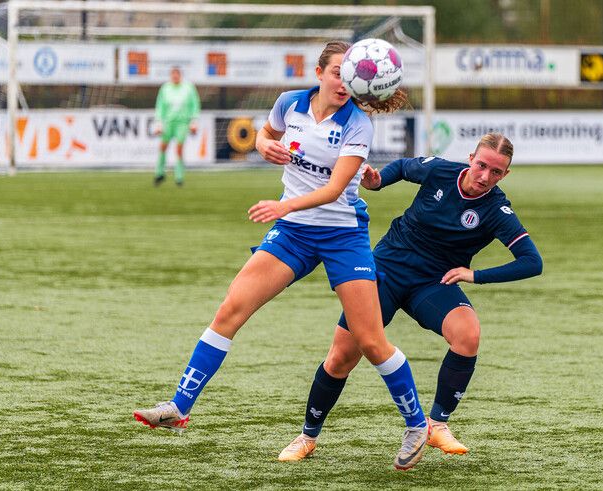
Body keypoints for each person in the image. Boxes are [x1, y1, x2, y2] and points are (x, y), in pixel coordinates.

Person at [134, 41, 432, 470]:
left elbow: (333, 190)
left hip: (341, 234)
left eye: (348, 76)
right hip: (293, 233)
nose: (342, 83)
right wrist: (261, 144)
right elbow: (267, 134)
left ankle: (417, 423)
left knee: (369, 340)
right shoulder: (289, 103)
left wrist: (284, 205)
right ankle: (180, 408)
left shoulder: (358, 125)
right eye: (335, 73)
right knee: (230, 309)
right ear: (319, 73)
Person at [278, 133, 543, 461]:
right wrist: (379, 181)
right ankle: (307, 436)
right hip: (386, 270)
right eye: (481, 166)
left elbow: (532, 262)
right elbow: (404, 167)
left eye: (496, 172)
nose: (485, 177)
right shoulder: (441, 170)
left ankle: (437, 425)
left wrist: (475, 275)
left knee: (468, 334)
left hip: (433, 283)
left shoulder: (496, 209)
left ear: (506, 175)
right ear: (471, 158)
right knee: (341, 356)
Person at [153, 66, 200, 187]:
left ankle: (179, 177)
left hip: (182, 123)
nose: (175, 77)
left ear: (180, 75)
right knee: (163, 147)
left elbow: (195, 105)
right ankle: (159, 173)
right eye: (173, 75)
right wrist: (158, 123)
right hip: (168, 122)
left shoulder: (188, 88)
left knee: (179, 149)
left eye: (177, 74)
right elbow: (160, 106)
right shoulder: (165, 88)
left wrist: (194, 121)